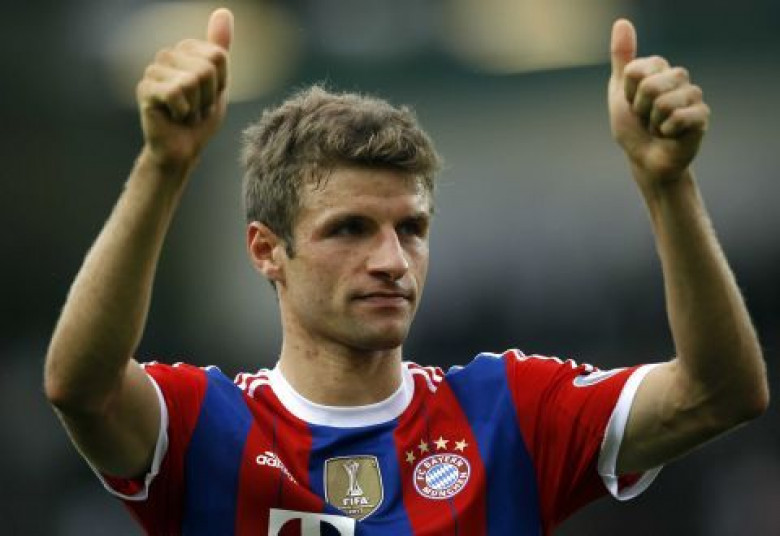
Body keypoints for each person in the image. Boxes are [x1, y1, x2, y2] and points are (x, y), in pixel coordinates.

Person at [44, 8, 768, 536]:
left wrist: (667, 185)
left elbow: (720, 393)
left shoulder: (509, 413)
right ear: (266, 250)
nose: (392, 261)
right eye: (349, 229)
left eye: (411, 230)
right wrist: (163, 165)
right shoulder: (206, 427)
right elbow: (81, 388)